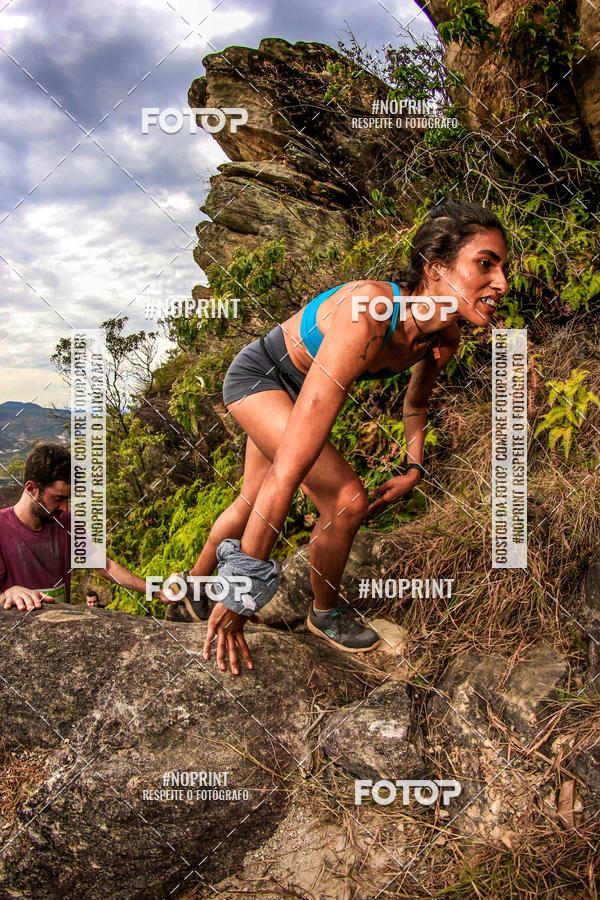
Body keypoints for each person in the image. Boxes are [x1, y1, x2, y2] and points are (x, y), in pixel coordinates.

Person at [174, 200, 509, 676]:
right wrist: (241, 594)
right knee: (346, 501)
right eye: (485, 264)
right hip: (262, 378)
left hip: (300, 387)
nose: (502, 283)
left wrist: (414, 468)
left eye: (502, 268)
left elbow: (416, 404)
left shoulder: (444, 337)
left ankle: (187, 593)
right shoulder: (368, 314)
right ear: (435, 268)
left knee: (250, 500)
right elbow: (289, 472)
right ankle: (323, 615)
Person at [0, 443, 171, 613]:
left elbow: (107, 567)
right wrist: (7, 594)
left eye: (67, 499)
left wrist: (155, 590)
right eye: (58, 498)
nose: (65, 508)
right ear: (31, 489)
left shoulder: (66, 523)